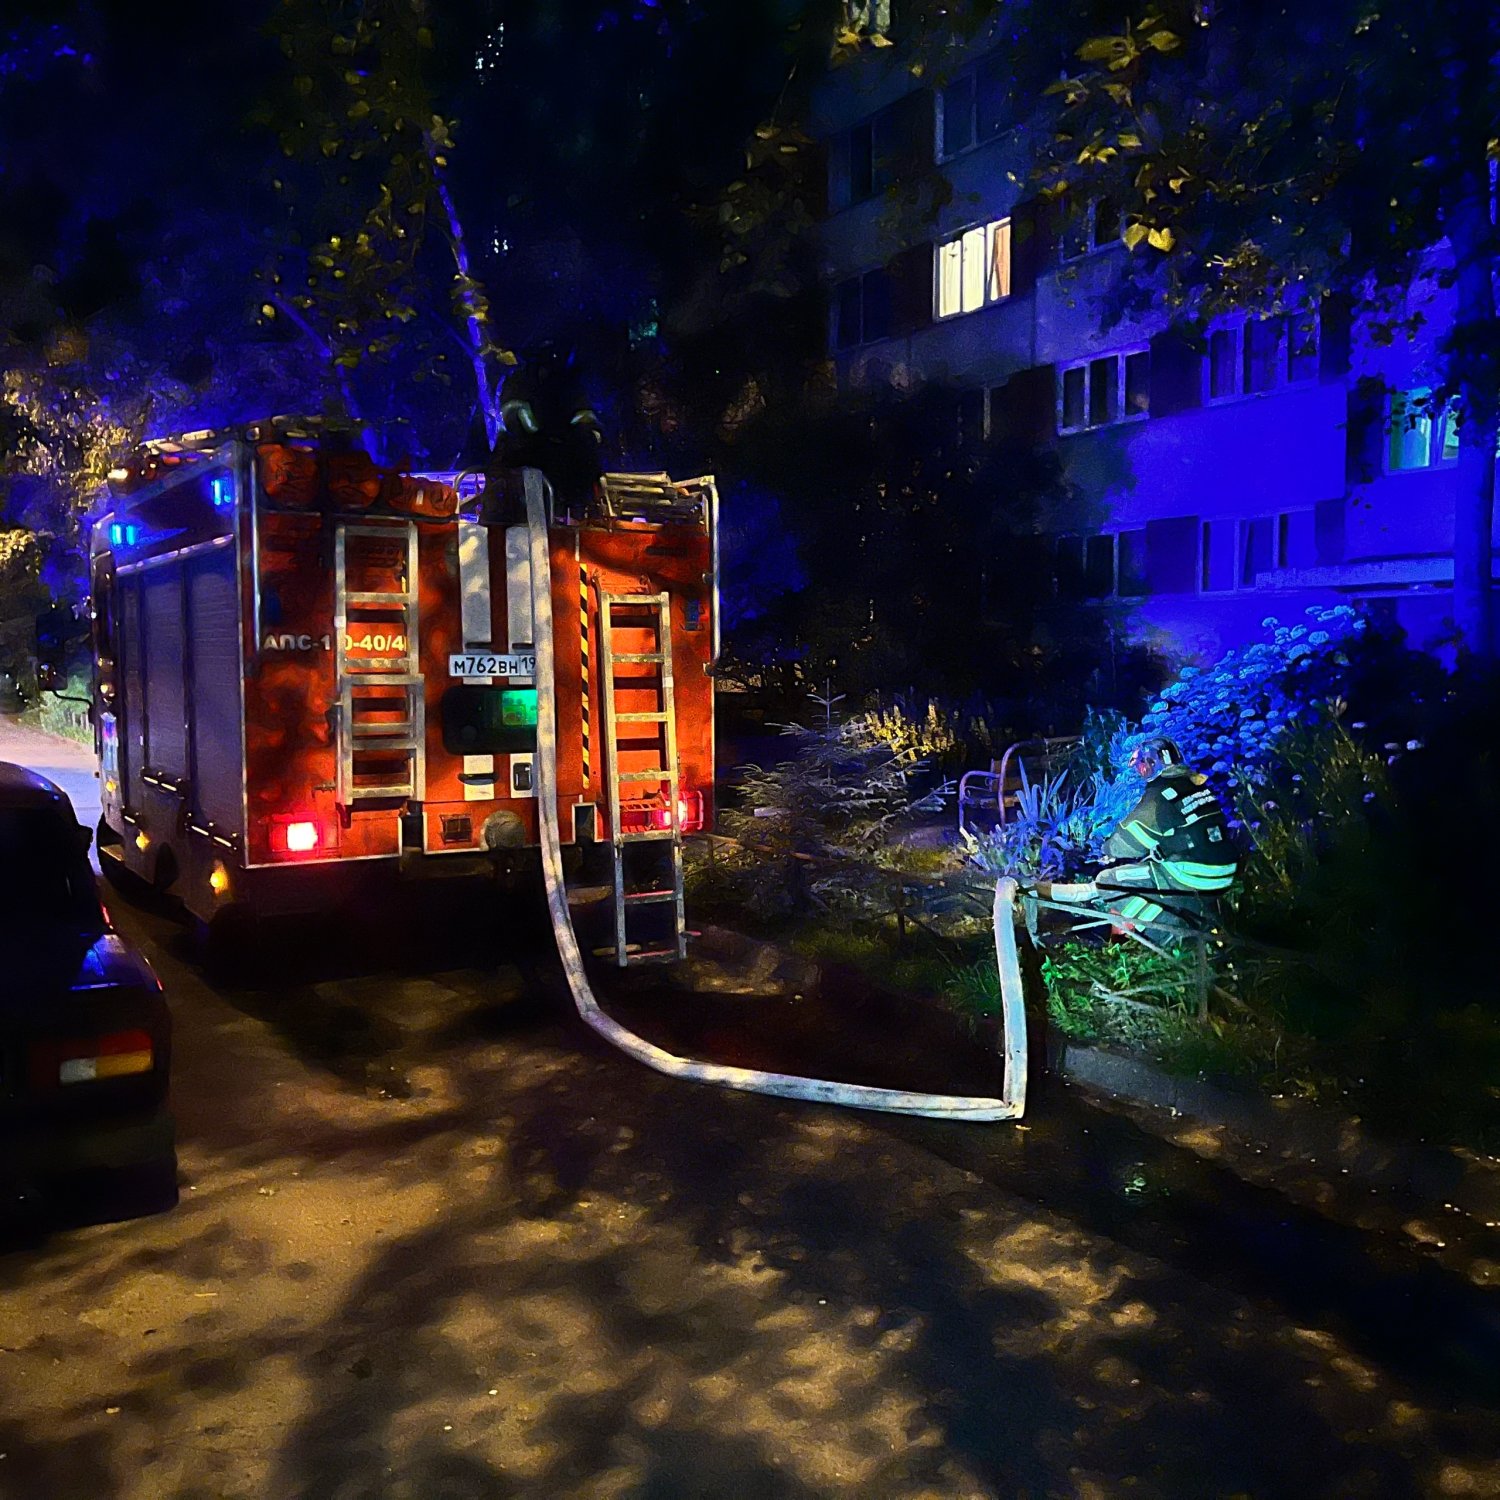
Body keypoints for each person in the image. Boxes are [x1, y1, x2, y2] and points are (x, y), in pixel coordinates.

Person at [1094, 736, 1237, 932]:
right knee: (1158, 865)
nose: (1139, 770)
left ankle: (1166, 932)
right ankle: (1201, 916)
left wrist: (1106, 848)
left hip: (1195, 875)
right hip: (1225, 869)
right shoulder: (1193, 785)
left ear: (1151, 763)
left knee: (1108, 882)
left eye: (1141, 764)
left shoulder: (1159, 794)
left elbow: (1129, 842)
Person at [486, 341, 604, 512]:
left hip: (563, 456)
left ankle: (578, 510)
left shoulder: (569, 384)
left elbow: (584, 415)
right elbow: (515, 419)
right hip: (524, 457)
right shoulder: (518, 381)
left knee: (582, 461)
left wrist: (582, 434)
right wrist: (543, 435)